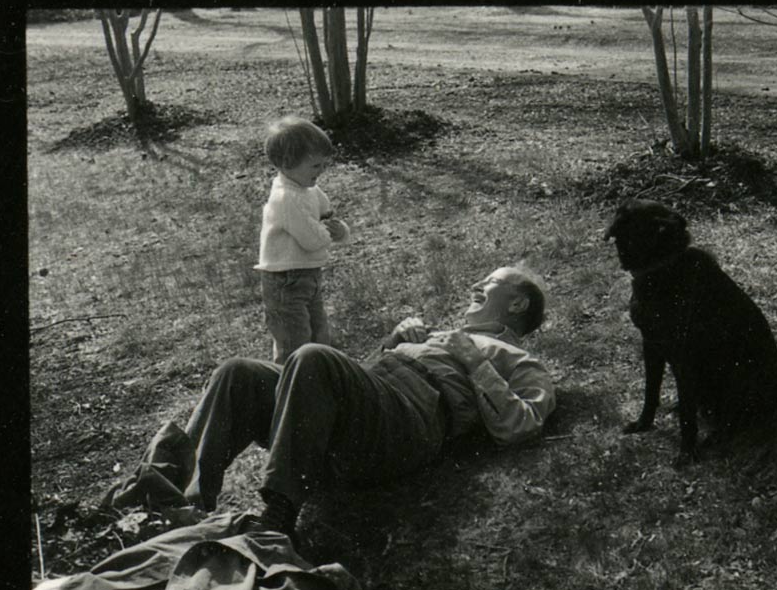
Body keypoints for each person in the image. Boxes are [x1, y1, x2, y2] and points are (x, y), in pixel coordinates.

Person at [114, 266, 556, 546]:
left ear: (517, 302)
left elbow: (522, 424)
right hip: (366, 411)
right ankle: (177, 502)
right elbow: (344, 387)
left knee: (312, 358)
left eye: (491, 283)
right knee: (240, 373)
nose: (476, 284)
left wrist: (471, 354)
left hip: (412, 423)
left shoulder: (521, 360)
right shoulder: (439, 332)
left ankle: (279, 515)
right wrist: (393, 342)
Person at [255, 115, 350, 363]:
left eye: (323, 165)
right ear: (287, 164)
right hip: (284, 281)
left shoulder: (308, 189)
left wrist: (340, 230)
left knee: (319, 335)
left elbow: (327, 215)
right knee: (294, 341)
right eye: (315, 166)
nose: (321, 171)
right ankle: (289, 388)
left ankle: (318, 380)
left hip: (308, 276)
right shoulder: (285, 198)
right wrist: (327, 232)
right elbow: (311, 239)